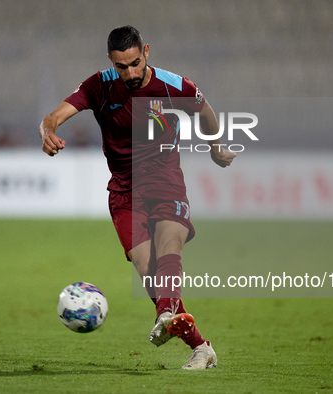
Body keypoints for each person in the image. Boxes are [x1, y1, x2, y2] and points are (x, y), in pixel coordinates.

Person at [40, 26, 235, 369]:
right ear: (110, 62)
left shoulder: (174, 85)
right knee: (148, 269)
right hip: (124, 189)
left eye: (135, 63)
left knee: (169, 245)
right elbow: (53, 117)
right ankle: (201, 346)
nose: (130, 73)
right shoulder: (98, 85)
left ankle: (166, 315)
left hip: (165, 180)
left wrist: (215, 146)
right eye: (121, 66)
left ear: (146, 51)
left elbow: (204, 111)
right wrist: (49, 132)